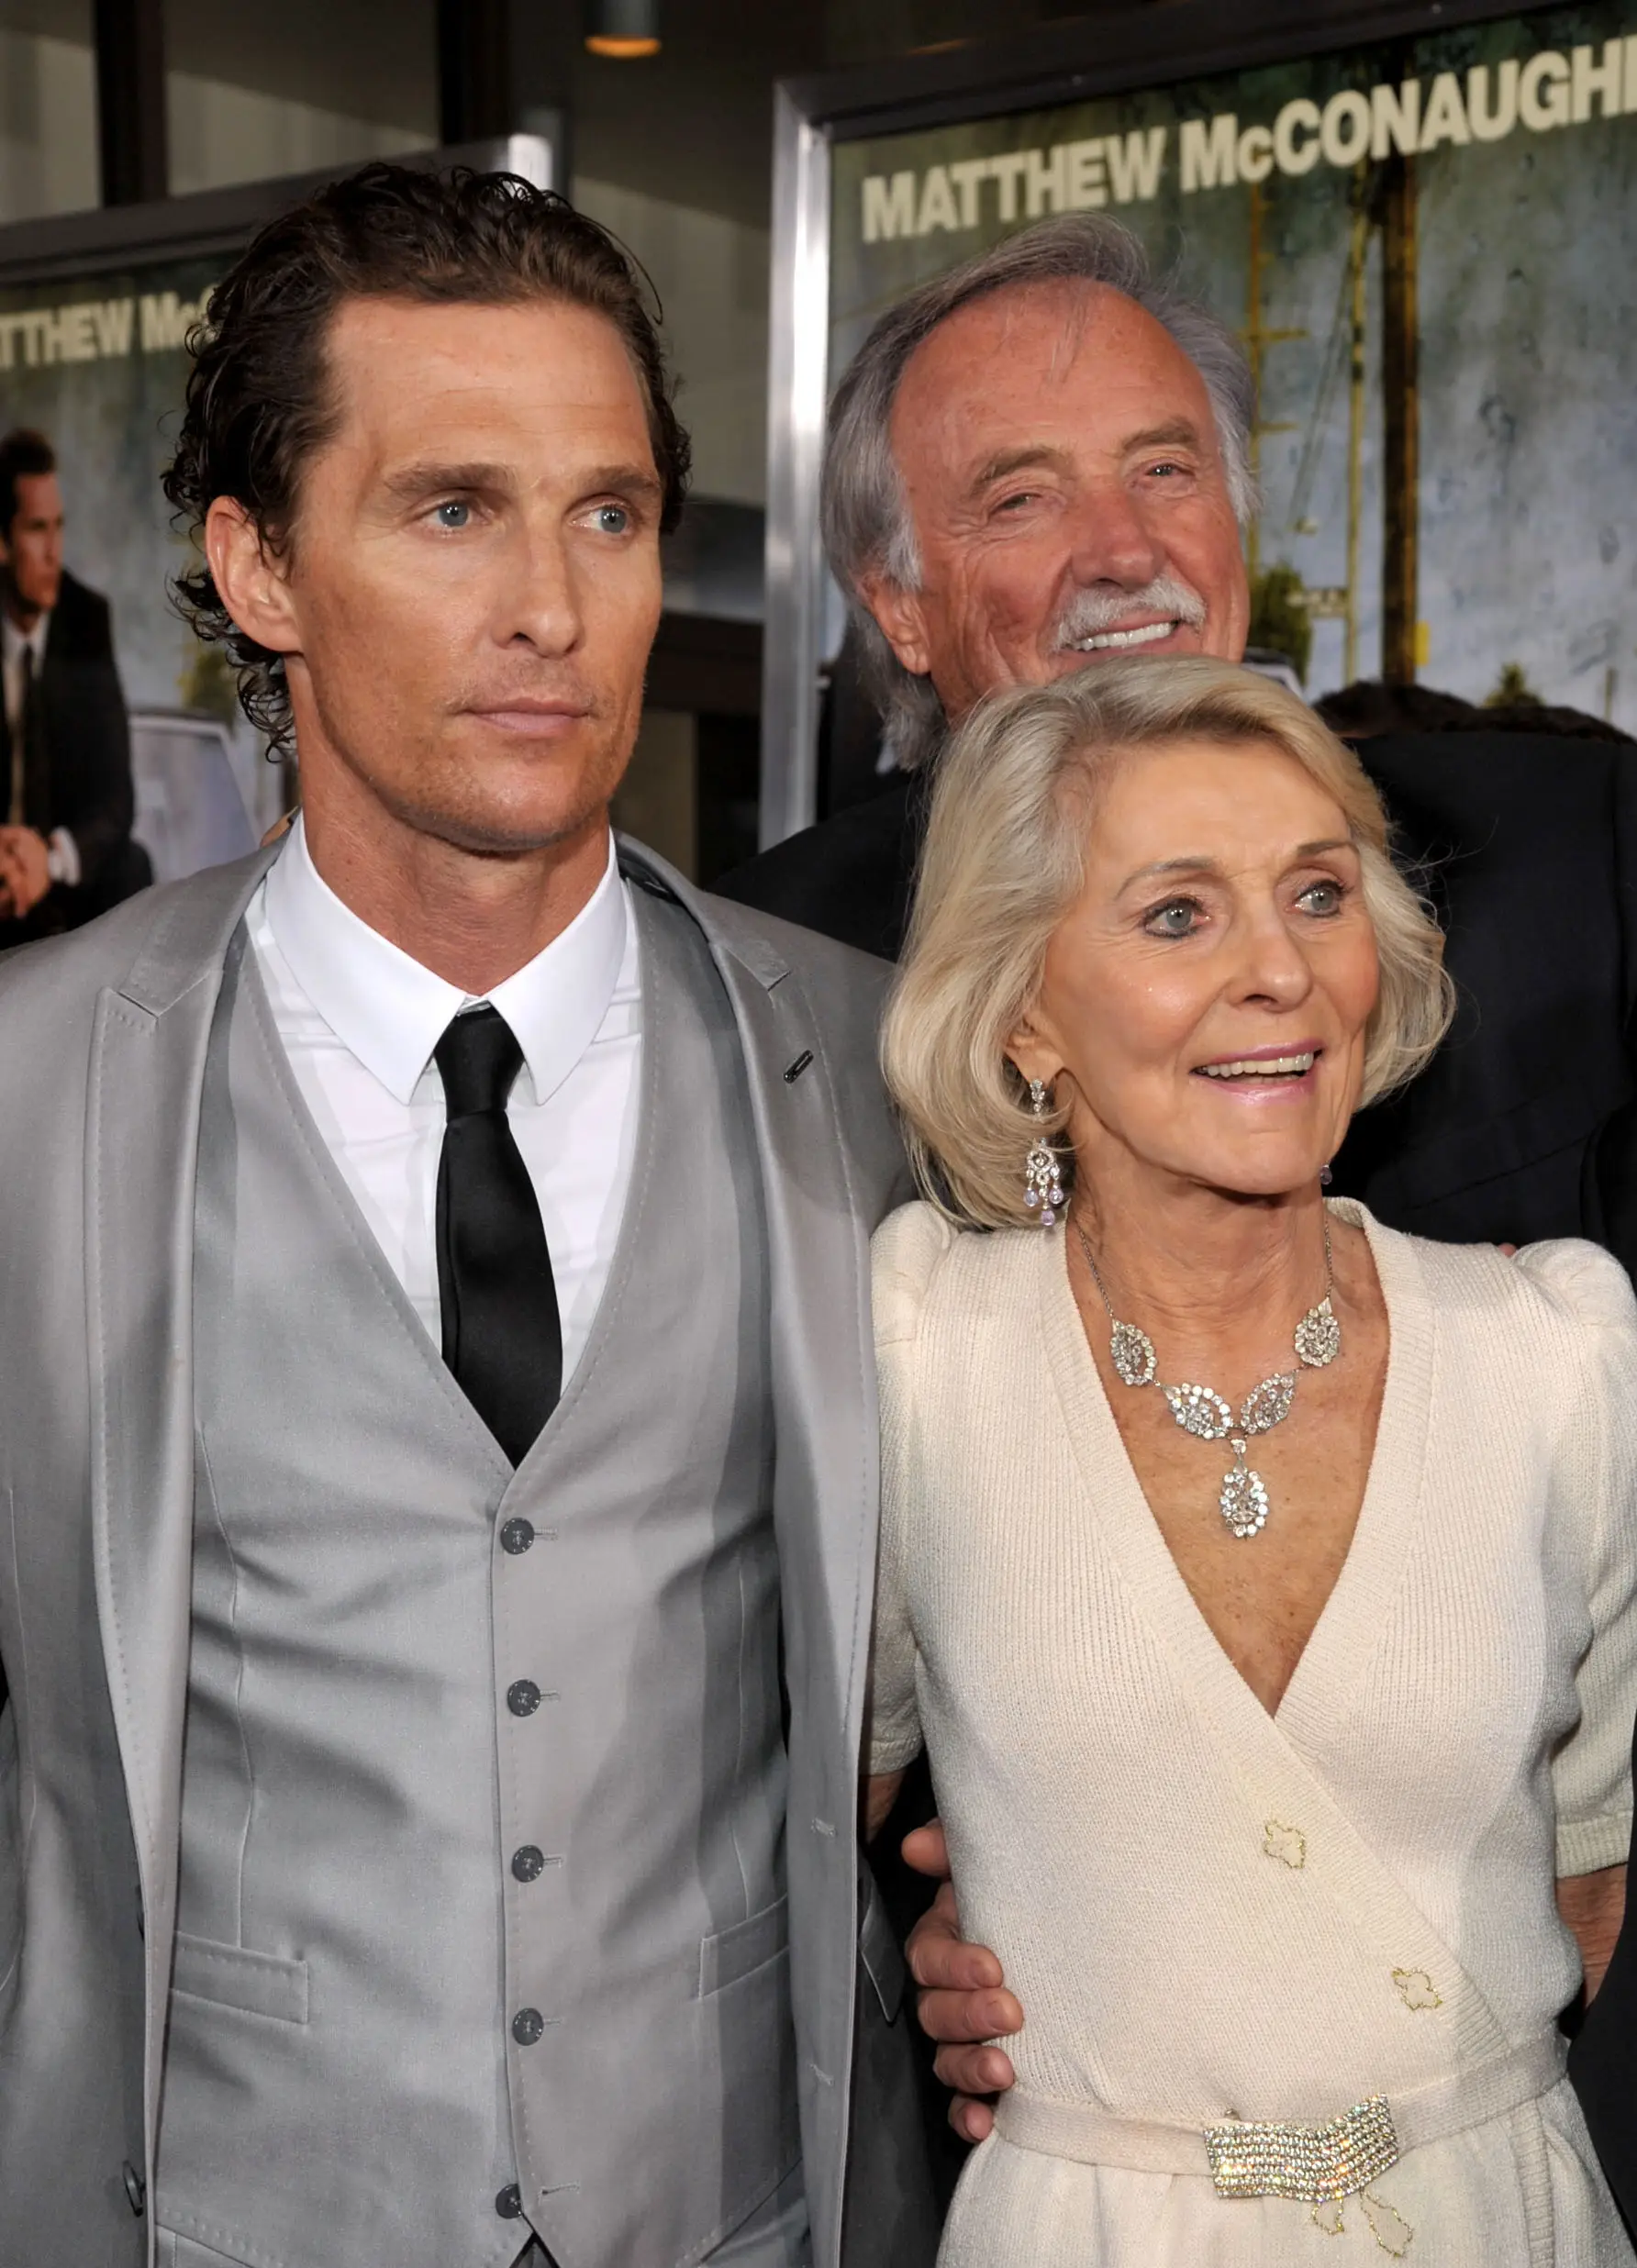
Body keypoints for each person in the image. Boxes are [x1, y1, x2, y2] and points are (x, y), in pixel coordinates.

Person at [0, 163, 940, 2268]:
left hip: (738, 2217)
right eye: (451, 510)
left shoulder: (875, 1078)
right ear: (257, 564)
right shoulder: (24, 1097)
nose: (553, 604)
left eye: (605, 513)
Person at [865, 654, 1636, 2264]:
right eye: (1174, 914)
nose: (1278, 970)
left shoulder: (1553, 1354)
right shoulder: (917, 1351)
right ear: (1020, 1013)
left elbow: (1586, 1889)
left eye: (1312, 894)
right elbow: (797, 1824)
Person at [716, 217, 1637, 1262]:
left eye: (1162, 470)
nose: (1121, 549)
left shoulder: (1575, 857)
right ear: (899, 607)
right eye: (1022, 498)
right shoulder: (762, 977)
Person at [0, 426, 146, 939]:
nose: (53, 552)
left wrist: (49, 859)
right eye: (37, 529)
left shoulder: (86, 620)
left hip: (58, 880)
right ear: (1, 543)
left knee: (131, 864)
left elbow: (115, 801)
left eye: (59, 528)